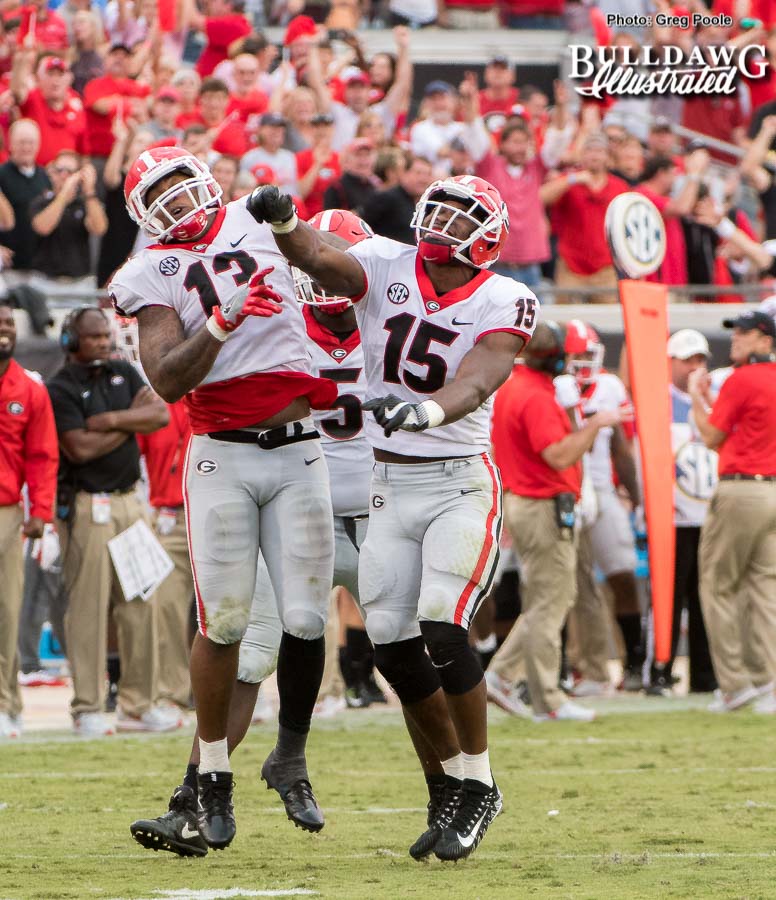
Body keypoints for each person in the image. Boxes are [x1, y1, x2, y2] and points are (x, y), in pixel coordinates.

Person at [248, 173, 538, 861]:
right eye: (438, 209)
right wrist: (288, 224)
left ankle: (479, 782)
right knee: (391, 642)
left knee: (442, 620)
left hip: (459, 482)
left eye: (460, 215)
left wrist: (431, 409)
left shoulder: (506, 297)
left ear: (490, 235)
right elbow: (322, 259)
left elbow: (481, 375)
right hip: (389, 487)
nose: (441, 222)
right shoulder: (384, 260)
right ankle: (449, 785)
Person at [110, 146, 338, 850]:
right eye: (162, 194)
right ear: (144, 213)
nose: (179, 201)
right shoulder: (148, 271)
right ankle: (211, 778)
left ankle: (291, 754)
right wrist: (221, 321)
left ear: (207, 176)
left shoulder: (254, 215)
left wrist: (291, 222)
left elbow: (334, 265)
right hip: (223, 453)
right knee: (226, 621)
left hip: (301, 446)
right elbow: (168, 380)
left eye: (182, 183)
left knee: (305, 616)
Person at [46, 306, 176, 737]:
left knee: (143, 602)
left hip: (128, 502)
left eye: (106, 336)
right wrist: (130, 423)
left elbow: (158, 416)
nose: (104, 343)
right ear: (71, 341)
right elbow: (78, 448)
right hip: (86, 505)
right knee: (88, 609)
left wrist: (109, 421)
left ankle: (139, 705)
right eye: (94, 337)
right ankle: (87, 706)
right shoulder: (60, 386)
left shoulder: (125, 373)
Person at [488, 322, 620, 722]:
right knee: (551, 602)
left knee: (549, 598)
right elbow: (559, 455)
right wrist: (596, 423)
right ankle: (548, 699)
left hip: (527, 500)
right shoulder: (537, 396)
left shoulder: (515, 386)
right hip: (543, 503)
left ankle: (500, 676)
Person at [689, 311, 776, 713]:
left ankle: (734, 686)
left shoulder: (742, 378)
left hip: (741, 491)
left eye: (746, 333)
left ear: (765, 340)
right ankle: (769, 681)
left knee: (717, 586)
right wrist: (709, 401)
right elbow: (744, 426)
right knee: (765, 589)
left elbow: (712, 437)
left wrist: (694, 396)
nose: (737, 339)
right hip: (771, 490)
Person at [564, 320, 644, 692]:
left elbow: (621, 450)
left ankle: (636, 662)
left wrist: (637, 496)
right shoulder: (554, 387)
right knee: (574, 585)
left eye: (586, 354)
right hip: (567, 490)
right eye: (575, 354)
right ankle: (585, 667)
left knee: (622, 573)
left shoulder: (610, 386)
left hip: (602, 488)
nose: (581, 361)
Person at [0, 302, 58, 739]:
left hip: (5, 511)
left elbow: (42, 455)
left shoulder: (30, 388)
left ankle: (6, 705)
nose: (4, 330)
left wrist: (40, 511)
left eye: (8, 323)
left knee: (6, 608)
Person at [656, 329, 718, 694]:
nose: (695, 367)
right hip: (670, 516)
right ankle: (659, 668)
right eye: (687, 359)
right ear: (670, 362)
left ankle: (705, 675)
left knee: (705, 598)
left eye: (700, 359)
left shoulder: (714, 398)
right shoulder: (658, 400)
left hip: (708, 515)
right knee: (668, 596)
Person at [540, 133, 628, 303]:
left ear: (607, 156)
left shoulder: (619, 187)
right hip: (570, 266)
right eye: (590, 150)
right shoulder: (569, 181)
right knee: (566, 320)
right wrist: (573, 179)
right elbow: (541, 198)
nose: (594, 155)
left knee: (606, 322)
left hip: (605, 267)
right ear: (582, 155)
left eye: (599, 151)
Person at [30, 151, 108, 290]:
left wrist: (89, 191)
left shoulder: (85, 203)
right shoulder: (41, 201)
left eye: (70, 172)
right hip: (45, 281)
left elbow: (99, 229)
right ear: (52, 173)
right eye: (60, 170)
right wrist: (64, 194)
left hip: (79, 282)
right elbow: (43, 227)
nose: (64, 176)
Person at [10, 52, 87, 166]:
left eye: (60, 75)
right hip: (34, 173)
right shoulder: (33, 99)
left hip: (65, 174)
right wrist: (21, 62)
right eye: (50, 74)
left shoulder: (77, 106)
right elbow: (17, 94)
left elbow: (83, 151)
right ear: (39, 79)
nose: (55, 80)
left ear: (69, 79)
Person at [0, 120, 50, 273]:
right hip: (9, 263)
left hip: (40, 265)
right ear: (11, 144)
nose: (26, 147)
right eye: (21, 142)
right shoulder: (1, 175)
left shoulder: (45, 176)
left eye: (31, 142)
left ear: (38, 144)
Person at [322, 138, 377, 217]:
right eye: (358, 155)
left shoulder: (375, 185)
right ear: (347, 160)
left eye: (367, 155)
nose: (364, 160)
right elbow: (329, 222)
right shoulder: (336, 188)